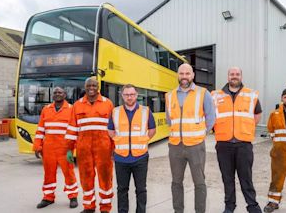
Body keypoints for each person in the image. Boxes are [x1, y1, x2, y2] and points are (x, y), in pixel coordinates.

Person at [165, 63, 215, 213]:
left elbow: (211, 117)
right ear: (178, 75)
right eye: (181, 73)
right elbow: (169, 119)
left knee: (199, 182)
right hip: (175, 146)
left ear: (193, 75)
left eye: (187, 74)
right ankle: (178, 210)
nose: (184, 77)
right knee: (176, 182)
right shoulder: (169, 95)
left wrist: (200, 134)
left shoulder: (203, 93)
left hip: (196, 146)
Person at [211, 67, 262, 213]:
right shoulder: (215, 95)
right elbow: (210, 115)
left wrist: (247, 127)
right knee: (227, 179)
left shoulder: (251, 94)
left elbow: (257, 114)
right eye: (232, 74)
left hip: (243, 144)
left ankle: (252, 206)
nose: (234, 76)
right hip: (223, 144)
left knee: (246, 178)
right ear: (228, 77)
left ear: (241, 76)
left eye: (237, 74)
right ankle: (229, 206)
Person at [65, 77, 114, 213]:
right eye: (88, 85)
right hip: (83, 149)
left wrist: (115, 148)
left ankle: (105, 207)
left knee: (105, 177)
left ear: (98, 87)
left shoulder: (108, 103)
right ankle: (89, 206)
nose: (91, 88)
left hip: (104, 148)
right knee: (86, 177)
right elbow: (72, 128)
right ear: (85, 87)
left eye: (94, 85)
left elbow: (114, 128)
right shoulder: (77, 105)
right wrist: (69, 149)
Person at [108, 84, 156, 213]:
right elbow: (110, 131)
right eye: (126, 95)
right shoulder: (115, 112)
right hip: (121, 158)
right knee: (122, 189)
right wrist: (118, 140)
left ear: (136, 95)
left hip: (140, 157)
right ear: (122, 96)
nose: (129, 97)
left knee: (141, 189)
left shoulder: (146, 111)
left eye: (132, 94)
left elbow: (152, 129)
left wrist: (143, 140)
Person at [33, 86, 78, 209]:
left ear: (65, 95)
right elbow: (41, 129)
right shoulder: (46, 109)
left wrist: (72, 149)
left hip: (65, 149)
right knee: (48, 174)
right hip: (48, 149)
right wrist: (37, 146)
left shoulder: (71, 109)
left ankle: (73, 196)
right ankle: (48, 197)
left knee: (69, 173)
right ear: (53, 95)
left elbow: (74, 130)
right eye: (55, 92)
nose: (57, 94)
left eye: (60, 92)